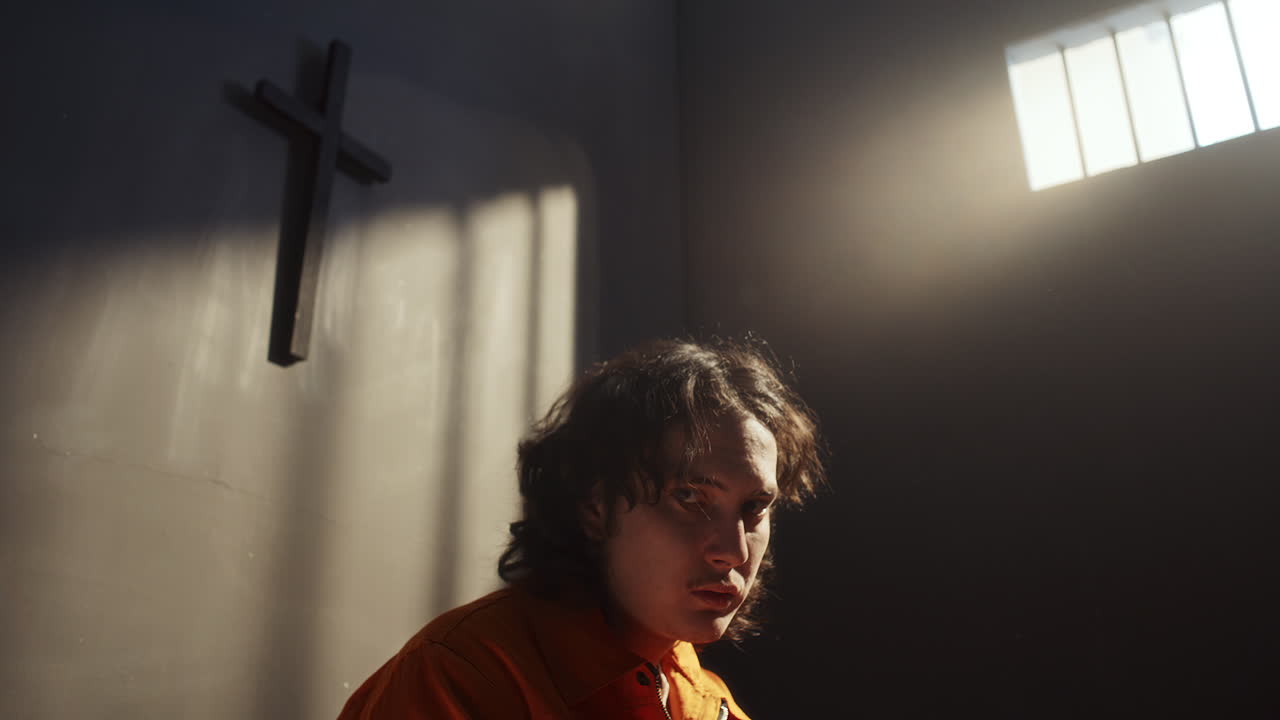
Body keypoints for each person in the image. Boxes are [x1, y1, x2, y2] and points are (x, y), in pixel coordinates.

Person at [337, 338, 826, 719]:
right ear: (595, 507)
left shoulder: (710, 703)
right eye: (690, 498)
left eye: (756, 507)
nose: (733, 551)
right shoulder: (462, 674)